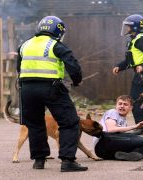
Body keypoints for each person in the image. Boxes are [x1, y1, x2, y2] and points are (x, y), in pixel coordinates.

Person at [17, 16, 88, 172]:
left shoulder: (24, 45)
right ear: (58, 31)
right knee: (70, 122)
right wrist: (77, 80)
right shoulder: (56, 45)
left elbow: (19, 68)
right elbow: (73, 66)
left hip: (27, 89)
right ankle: (68, 161)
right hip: (51, 88)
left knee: (35, 124)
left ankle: (39, 160)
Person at [112, 14, 143, 135]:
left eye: (128, 26)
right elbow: (130, 61)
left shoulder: (141, 39)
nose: (126, 28)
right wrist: (119, 66)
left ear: (135, 27)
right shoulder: (134, 40)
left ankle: (142, 128)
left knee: (138, 101)